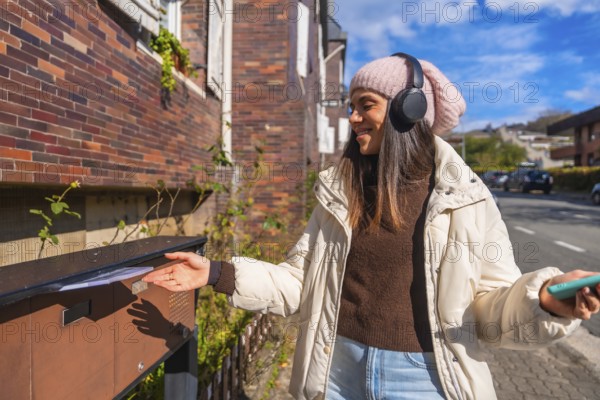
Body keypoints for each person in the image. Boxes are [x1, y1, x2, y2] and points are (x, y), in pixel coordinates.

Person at [143, 53, 600, 400]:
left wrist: (546, 297)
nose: (353, 117)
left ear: (408, 110)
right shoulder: (340, 192)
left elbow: (488, 311)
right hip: (335, 368)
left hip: (425, 378)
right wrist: (217, 273)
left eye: (366, 105)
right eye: (351, 106)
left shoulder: (466, 200)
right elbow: (302, 283)